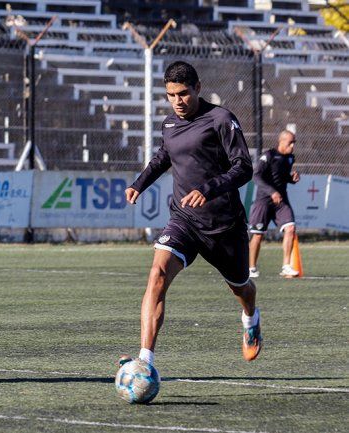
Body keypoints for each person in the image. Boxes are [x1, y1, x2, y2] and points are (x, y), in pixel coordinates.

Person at [123, 61, 261, 369]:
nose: (177, 102)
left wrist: (209, 189)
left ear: (197, 88)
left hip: (223, 225)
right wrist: (139, 184)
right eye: (171, 95)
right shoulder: (170, 123)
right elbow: (163, 157)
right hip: (183, 220)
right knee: (157, 274)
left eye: (183, 94)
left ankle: (251, 317)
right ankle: (145, 361)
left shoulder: (220, 119)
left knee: (240, 286)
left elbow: (244, 168)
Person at [248, 130, 300, 278]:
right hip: (263, 201)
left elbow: (282, 177)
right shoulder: (268, 156)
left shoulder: (290, 158)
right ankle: (251, 268)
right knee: (257, 236)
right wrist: (271, 192)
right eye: (290, 142)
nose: (293, 146)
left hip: (281, 201)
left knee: (291, 228)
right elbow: (256, 176)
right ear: (281, 141)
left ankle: (286, 266)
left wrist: (292, 179)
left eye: (294, 142)